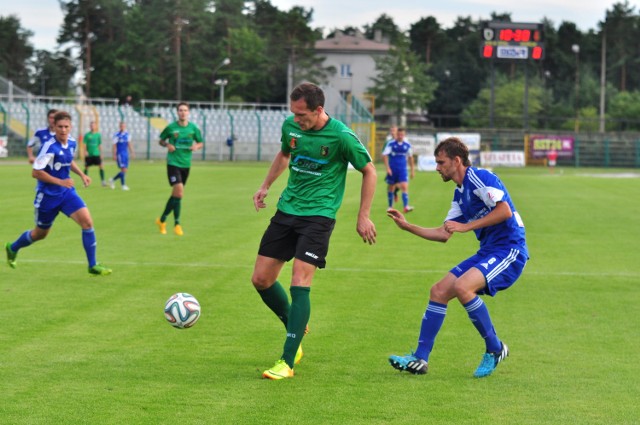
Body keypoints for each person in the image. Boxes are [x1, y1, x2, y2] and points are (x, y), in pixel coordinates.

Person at [251, 83, 377, 380]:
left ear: (319, 110)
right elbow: (284, 155)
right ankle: (295, 326)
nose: (296, 119)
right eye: (293, 113)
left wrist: (364, 216)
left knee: (299, 281)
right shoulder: (291, 127)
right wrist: (265, 185)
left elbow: (369, 169)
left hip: (319, 216)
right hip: (287, 210)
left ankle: (287, 360)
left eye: (302, 114)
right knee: (261, 279)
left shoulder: (341, 136)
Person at [386, 136, 528, 378]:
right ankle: (420, 359)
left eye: (441, 163)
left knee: (463, 287)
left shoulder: (480, 177)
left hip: (510, 250)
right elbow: (444, 233)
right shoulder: (460, 193)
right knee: (439, 291)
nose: (437, 168)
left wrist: (467, 227)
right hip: (489, 250)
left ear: (457, 160)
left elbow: (504, 210)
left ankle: (495, 348)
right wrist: (408, 226)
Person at [5, 111, 112, 276]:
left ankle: (92, 265)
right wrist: (60, 181)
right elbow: (36, 172)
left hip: (67, 193)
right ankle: (13, 248)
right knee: (40, 234)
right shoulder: (49, 146)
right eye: (60, 127)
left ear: (71, 127)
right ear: (54, 127)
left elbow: (68, 161)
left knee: (87, 223)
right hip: (47, 196)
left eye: (66, 126)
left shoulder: (71, 142)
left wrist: (82, 175)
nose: (63, 130)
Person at [155, 102, 203, 236]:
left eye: (185, 110)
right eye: (180, 110)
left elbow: (200, 142)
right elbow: (161, 140)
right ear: (177, 112)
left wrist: (196, 147)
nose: (183, 112)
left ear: (188, 112)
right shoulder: (171, 127)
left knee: (176, 194)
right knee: (179, 191)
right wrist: (167, 145)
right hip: (173, 162)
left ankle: (162, 219)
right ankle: (177, 224)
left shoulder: (193, 128)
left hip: (186, 164)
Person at [382, 127, 415, 212]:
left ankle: (406, 206)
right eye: (399, 134)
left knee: (404, 186)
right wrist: (388, 168)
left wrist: (412, 170)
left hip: (402, 169)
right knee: (391, 187)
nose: (400, 136)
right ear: (396, 134)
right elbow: (384, 155)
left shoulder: (407, 145)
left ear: (404, 135)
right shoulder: (391, 144)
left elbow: (411, 158)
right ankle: (390, 206)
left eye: (402, 135)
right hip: (392, 169)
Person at [109, 121, 135, 190]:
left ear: (125, 126)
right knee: (123, 169)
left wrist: (132, 152)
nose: (122, 127)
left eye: (123, 126)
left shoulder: (127, 135)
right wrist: (114, 154)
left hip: (125, 153)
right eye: (121, 126)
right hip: (119, 154)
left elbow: (129, 144)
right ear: (119, 126)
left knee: (125, 170)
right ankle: (123, 185)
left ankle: (113, 180)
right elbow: (114, 145)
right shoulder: (117, 135)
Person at [83, 121, 107, 186]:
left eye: (93, 125)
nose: (92, 127)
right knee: (86, 167)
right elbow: (84, 144)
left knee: (101, 166)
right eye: (91, 125)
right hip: (89, 154)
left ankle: (103, 181)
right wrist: (85, 151)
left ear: (96, 126)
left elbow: (99, 145)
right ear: (89, 126)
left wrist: (101, 153)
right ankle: (85, 181)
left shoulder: (98, 135)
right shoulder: (87, 135)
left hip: (96, 154)